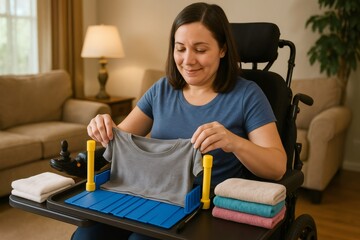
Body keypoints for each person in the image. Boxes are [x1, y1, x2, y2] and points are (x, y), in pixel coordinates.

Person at [72, 2, 286, 240]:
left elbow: (277, 167)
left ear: (222, 49)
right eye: (180, 48)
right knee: (86, 235)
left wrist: (233, 142)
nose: (188, 60)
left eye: (200, 50)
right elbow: (119, 139)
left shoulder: (248, 95)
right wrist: (103, 127)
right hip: (151, 193)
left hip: (206, 205)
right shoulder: (162, 89)